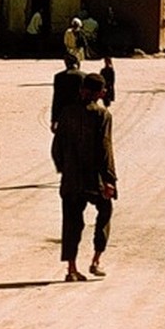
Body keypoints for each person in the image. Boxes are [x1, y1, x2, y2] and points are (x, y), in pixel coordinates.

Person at [51, 72, 116, 282]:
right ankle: (96, 260)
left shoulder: (66, 112)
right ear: (101, 92)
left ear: (82, 90)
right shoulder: (102, 115)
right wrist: (109, 180)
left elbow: (56, 147)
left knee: (71, 221)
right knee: (105, 210)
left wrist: (64, 168)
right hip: (93, 179)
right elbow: (105, 148)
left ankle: (71, 269)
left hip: (71, 179)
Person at [50, 53, 85, 132]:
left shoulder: (59, 77)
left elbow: (56, 99)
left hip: (64, 114)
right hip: (80, 114)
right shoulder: (84, 76)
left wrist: (54, 120)